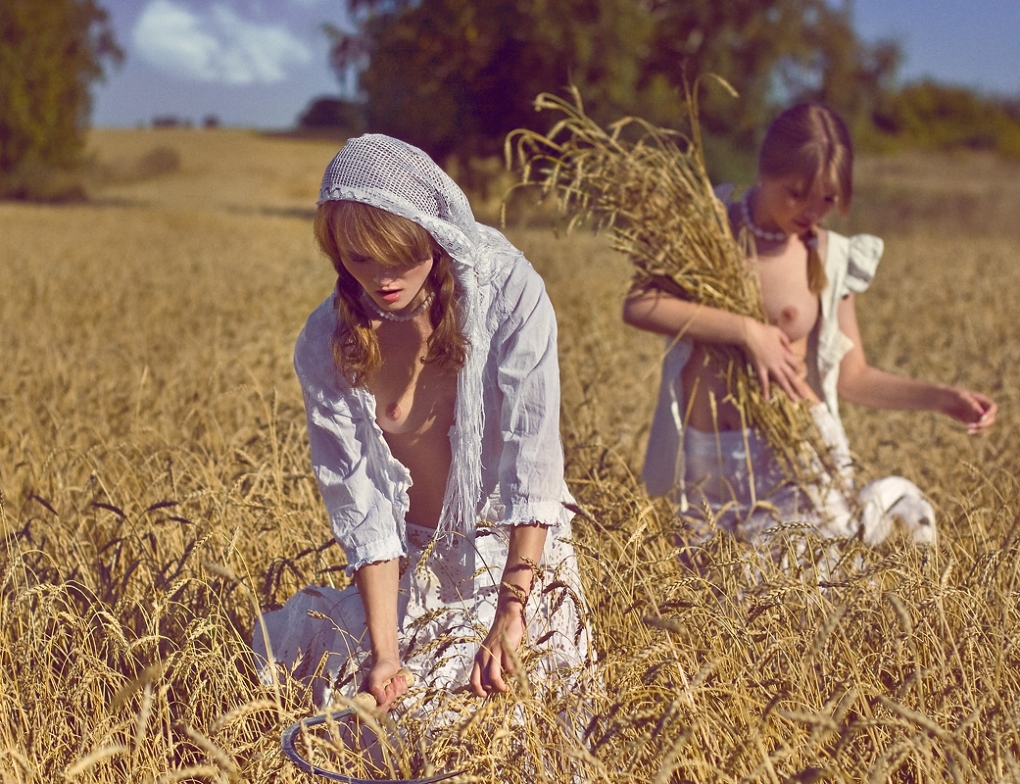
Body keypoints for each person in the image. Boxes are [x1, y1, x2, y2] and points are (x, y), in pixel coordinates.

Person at [253, 134, 590, 712]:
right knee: (382, 710)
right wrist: (385, 653)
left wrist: (512, 611)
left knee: (497, 719)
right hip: (407, 575)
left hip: (515, 559)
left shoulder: (508, 292)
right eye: (360, 258)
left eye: (397, 254)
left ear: (432, 232)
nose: (382, 278)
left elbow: (532, 464)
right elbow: (363, 509)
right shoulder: (326, 343)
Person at [623, 102, 997, 548]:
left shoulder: (831, 255)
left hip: (795, 453)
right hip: (708, 454)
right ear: (765, 170)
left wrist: (942, 398)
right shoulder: (709, 231)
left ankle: (895, 505)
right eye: (796, 193)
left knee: (813, 581)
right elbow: (640, 305)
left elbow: (854, 377)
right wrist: (747, 332)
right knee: (708, 583)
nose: (811, 211)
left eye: (828, 199)